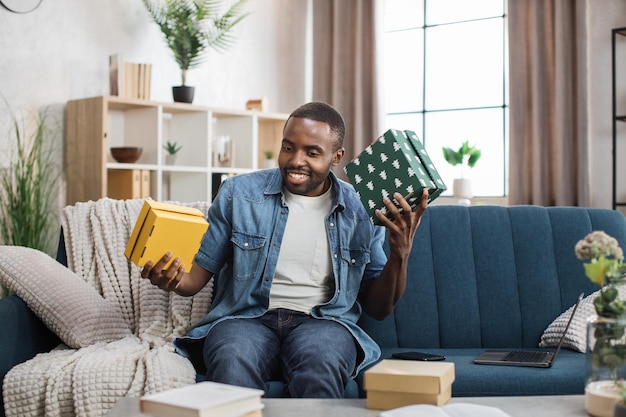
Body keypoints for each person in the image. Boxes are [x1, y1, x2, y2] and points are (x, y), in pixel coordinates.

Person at [141, 102, 428, 398]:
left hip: (324, 323)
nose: (295, 161)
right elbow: (194, 280)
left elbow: (379, 310)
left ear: (336, 156)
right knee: (232, 361)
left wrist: (399, 254)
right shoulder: (238, 194)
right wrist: (171, 278)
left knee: (321, 366)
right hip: (245, 320)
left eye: (312, 152)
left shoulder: (362, 209)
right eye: (288, 148)